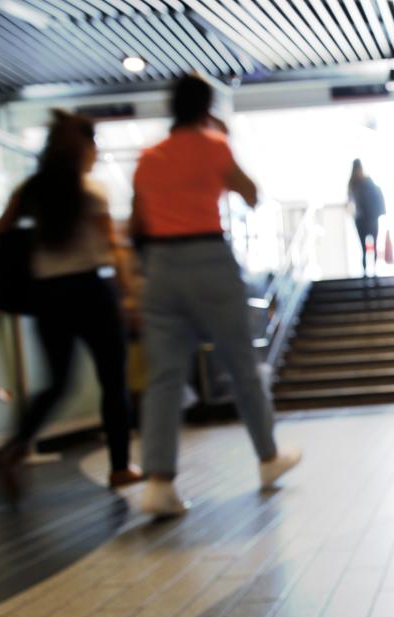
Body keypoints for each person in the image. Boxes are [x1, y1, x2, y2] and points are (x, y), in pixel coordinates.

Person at [130, 73, 299, 517]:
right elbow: (251, 194)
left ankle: (159, 483)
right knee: (242, 364)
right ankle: (267, 458)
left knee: (164, 377)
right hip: (208, 258)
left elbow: (136, 225)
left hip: (161, 268)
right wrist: (221, 142)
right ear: (206, 107)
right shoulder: (213, 146)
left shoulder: (148, 158)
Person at [0, 110, 141, 497]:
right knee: (113, 379)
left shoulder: (31, 190)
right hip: (92, 291)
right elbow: (112, 248)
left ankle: (16, 445)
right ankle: (121, 468)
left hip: (48, 295)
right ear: (83, 149)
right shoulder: (90, 192)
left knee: (58, 382)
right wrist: (128, 295)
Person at [347, 159, 386, 277]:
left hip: (359, 219)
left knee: (363, 248)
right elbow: (377, 194)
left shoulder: (352, 183)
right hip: (372, 218)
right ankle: (373, 271)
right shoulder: (368, 181)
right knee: (373, 245)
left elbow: (349, 202)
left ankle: (364, 273)